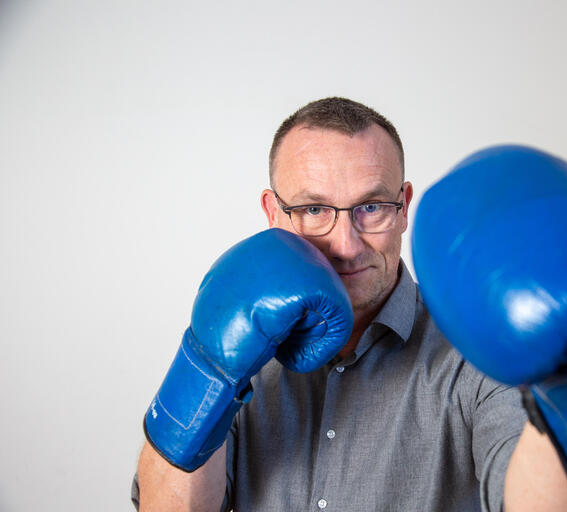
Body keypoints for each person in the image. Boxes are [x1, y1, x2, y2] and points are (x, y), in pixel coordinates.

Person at [133, 97, 530, 511]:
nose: (345, 245)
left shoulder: (475, 347)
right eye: (314, 209)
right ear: (273, 212)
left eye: (371, 207)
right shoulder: (243, 340)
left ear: (404, 207)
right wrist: (209, 369)